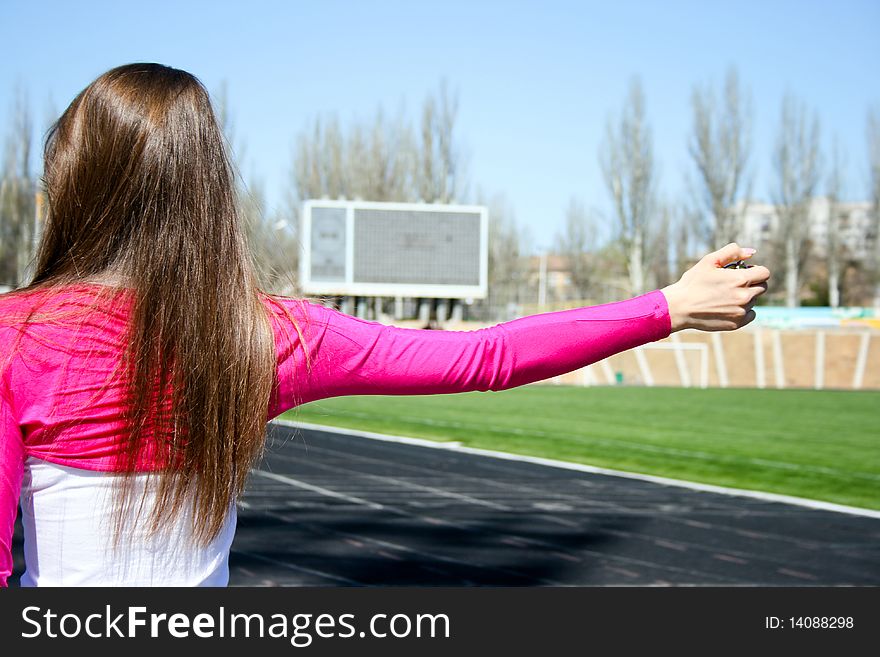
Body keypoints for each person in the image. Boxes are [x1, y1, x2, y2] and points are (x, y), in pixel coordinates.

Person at [0, 63, 769, 587]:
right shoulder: (264, 336)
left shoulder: (13, 336)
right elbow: (486, 356)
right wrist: (667, 306)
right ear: (205, 189)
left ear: (74, 185)